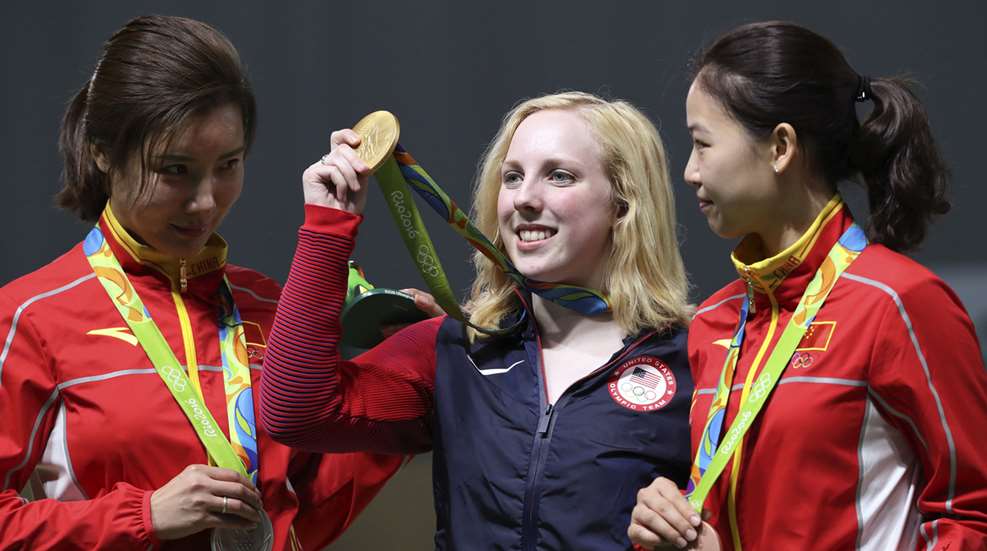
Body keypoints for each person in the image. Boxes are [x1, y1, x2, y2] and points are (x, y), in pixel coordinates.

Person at [0, 15, 411, 550]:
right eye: (175, 169)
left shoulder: (269, 306)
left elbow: (300, 512)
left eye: (228, 165)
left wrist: (410, 369)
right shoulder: (30, 317)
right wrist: (143, 516)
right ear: (102, 151)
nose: (205, 201)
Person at [259, 91, 695, 549]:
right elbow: (296, 412)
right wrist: (328, 224)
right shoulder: (456, 350)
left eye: (560, 176)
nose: (524, 198)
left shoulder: (694, 359)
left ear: (623, 205)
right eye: (512, 177)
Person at [628, 21, 987, 551]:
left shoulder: (898, 304)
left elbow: (971, 515)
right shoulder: (712, 322)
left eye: (702, 144)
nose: (689, 172)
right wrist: (670, 519)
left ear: (780, 146)